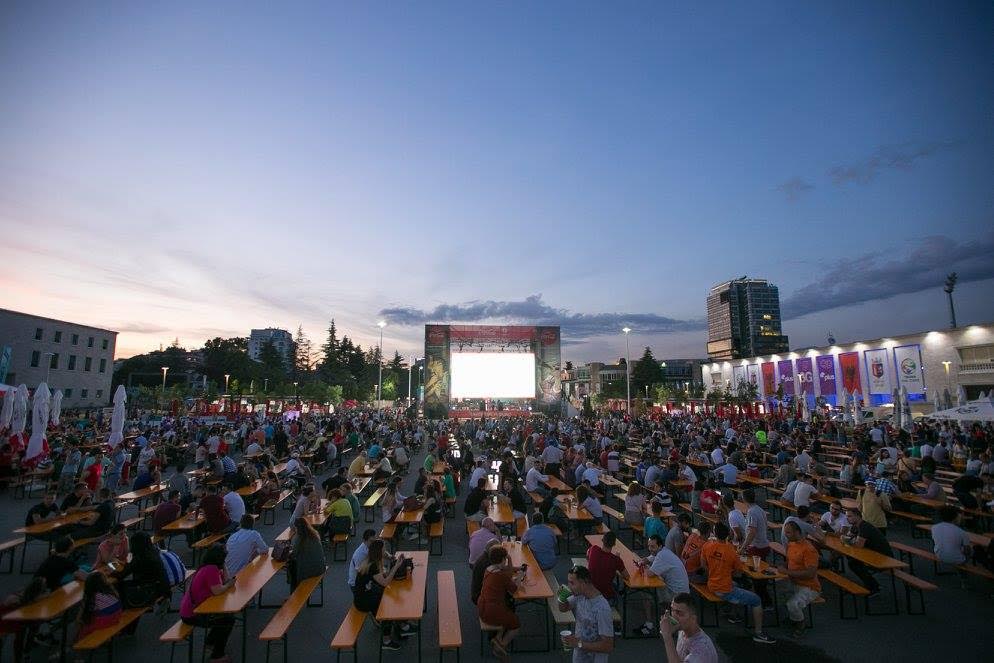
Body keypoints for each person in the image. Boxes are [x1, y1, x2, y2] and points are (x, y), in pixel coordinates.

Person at [700, 522, 775, 644]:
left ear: (715, 534)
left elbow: (703, 565)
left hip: (711, 584)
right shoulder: (730, 551)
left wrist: (714, 572)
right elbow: (738, 572)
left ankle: (733, 614)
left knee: (737, 585)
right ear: (727, 535)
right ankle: (759, 633)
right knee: (757, 600)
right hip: (724, 589)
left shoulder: (707, 546)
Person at [180, 545, 236, 663]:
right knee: (227, 620)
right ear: (219, 558)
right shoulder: (211, 569)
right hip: (192, 614)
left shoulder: (208, 567)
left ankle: (210, 642)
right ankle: (217, 655)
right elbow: (218, 590)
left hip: (193, 609)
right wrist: (229, 585)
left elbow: (225, 580)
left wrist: (224, 567)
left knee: (226, 617)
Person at [353, 539, 407, 650]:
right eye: (384, 549)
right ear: (379, 551)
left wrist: (392, 568)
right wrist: (396, 566)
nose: (385, 551)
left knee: (387, 597)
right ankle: (386, 641)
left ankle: (399, 623)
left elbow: (382, 576)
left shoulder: (371, 561)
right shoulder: (373, 565)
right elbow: (385, 582)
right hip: (363, 601)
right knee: (387, 607)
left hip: (363, 595)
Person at [477, 545, 526, 662]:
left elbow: (504, 576)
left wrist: (508, 560)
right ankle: (502, 645)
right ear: (503, 559)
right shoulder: (501, 575)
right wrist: (519, 577)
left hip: (482, 606)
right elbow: (514, 590)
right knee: (516, 624)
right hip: (492, 611)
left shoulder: (489, 569)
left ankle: (497, 639)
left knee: (506, 615)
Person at [558, 564, 615, 662]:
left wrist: (578, 644)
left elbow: (608, 646)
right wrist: (561, 598)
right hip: (579, 657)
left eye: (572, 583)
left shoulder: (602, 608)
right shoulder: (580, 596)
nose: (569, 586)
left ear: (583, 583)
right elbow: (564, 608)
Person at [636, 534, 689, 636]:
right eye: (649, 546)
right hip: (682, 590)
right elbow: (650, 558)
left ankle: (649, 625)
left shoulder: (662, 555)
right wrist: (643, 560)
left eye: (652, 546)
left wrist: (643, 565)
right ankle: (670, 618)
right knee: (656, 586)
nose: (650, 549)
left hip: (677, 594)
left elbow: (650, 574)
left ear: (660, 546)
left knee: (646, 592)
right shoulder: (664, 552)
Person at [778, 520, 821, 637]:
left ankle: (801, 625)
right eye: (785, 532)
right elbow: (790, 561)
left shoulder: (809, 549)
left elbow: (810, 573)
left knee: (793, 604)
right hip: (794, 582)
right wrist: (783, 566)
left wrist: (787, 571)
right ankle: (794, 618)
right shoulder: (791, 544)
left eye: (788, 533)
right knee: (778, 593)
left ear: (797, 532)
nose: (785, 535)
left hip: (810, 587)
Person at [841, 508, 893, 597]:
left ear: (857, 516)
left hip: (883, 557)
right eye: (846, 516)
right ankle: (871, 585)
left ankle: (874, 587)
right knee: (852, 561)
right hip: (871, 553)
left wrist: (847, 540)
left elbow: (858, 545)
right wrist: (847, 539)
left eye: (850, 516)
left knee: (854, 564)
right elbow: (848, 537)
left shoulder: (864, 527)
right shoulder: (855, 526)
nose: (847, 518)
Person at [115, 531, 170, 613]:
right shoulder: (153, 551)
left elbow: (121, 575)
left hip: (147, 590)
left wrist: (111, 569)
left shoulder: (140, 558)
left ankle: (121, 612)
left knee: (116, 585)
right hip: (159, 587)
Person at [658, 592, 719, 663]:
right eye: (672, 610)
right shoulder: (682, 631)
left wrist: (667, 637)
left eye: (679, 613)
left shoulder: (702, 650)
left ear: (693, 618)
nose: (674, 616)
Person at [586, 530, 629, 606]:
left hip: (590, 589)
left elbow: (587, 556)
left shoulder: (593, 549)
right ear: (614, 544)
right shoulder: (616, 560)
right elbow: (626, 576)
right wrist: (618, 560)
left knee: (614, 585)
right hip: (604, 596)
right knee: (615, 588)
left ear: (602, 540)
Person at [76, 572, 122, 640]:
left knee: (82, 624)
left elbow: (79, 618)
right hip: (117, 617)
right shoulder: (111, 592)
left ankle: (78, 642)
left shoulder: (92, 597)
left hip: (104, 622)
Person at [288, 517, 327, 589]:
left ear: (297, 528)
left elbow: (294, 554)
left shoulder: (299, 538)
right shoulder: (314, 534)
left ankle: (294, 594)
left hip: (309, 571)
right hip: (321, 567)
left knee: (292, 568)